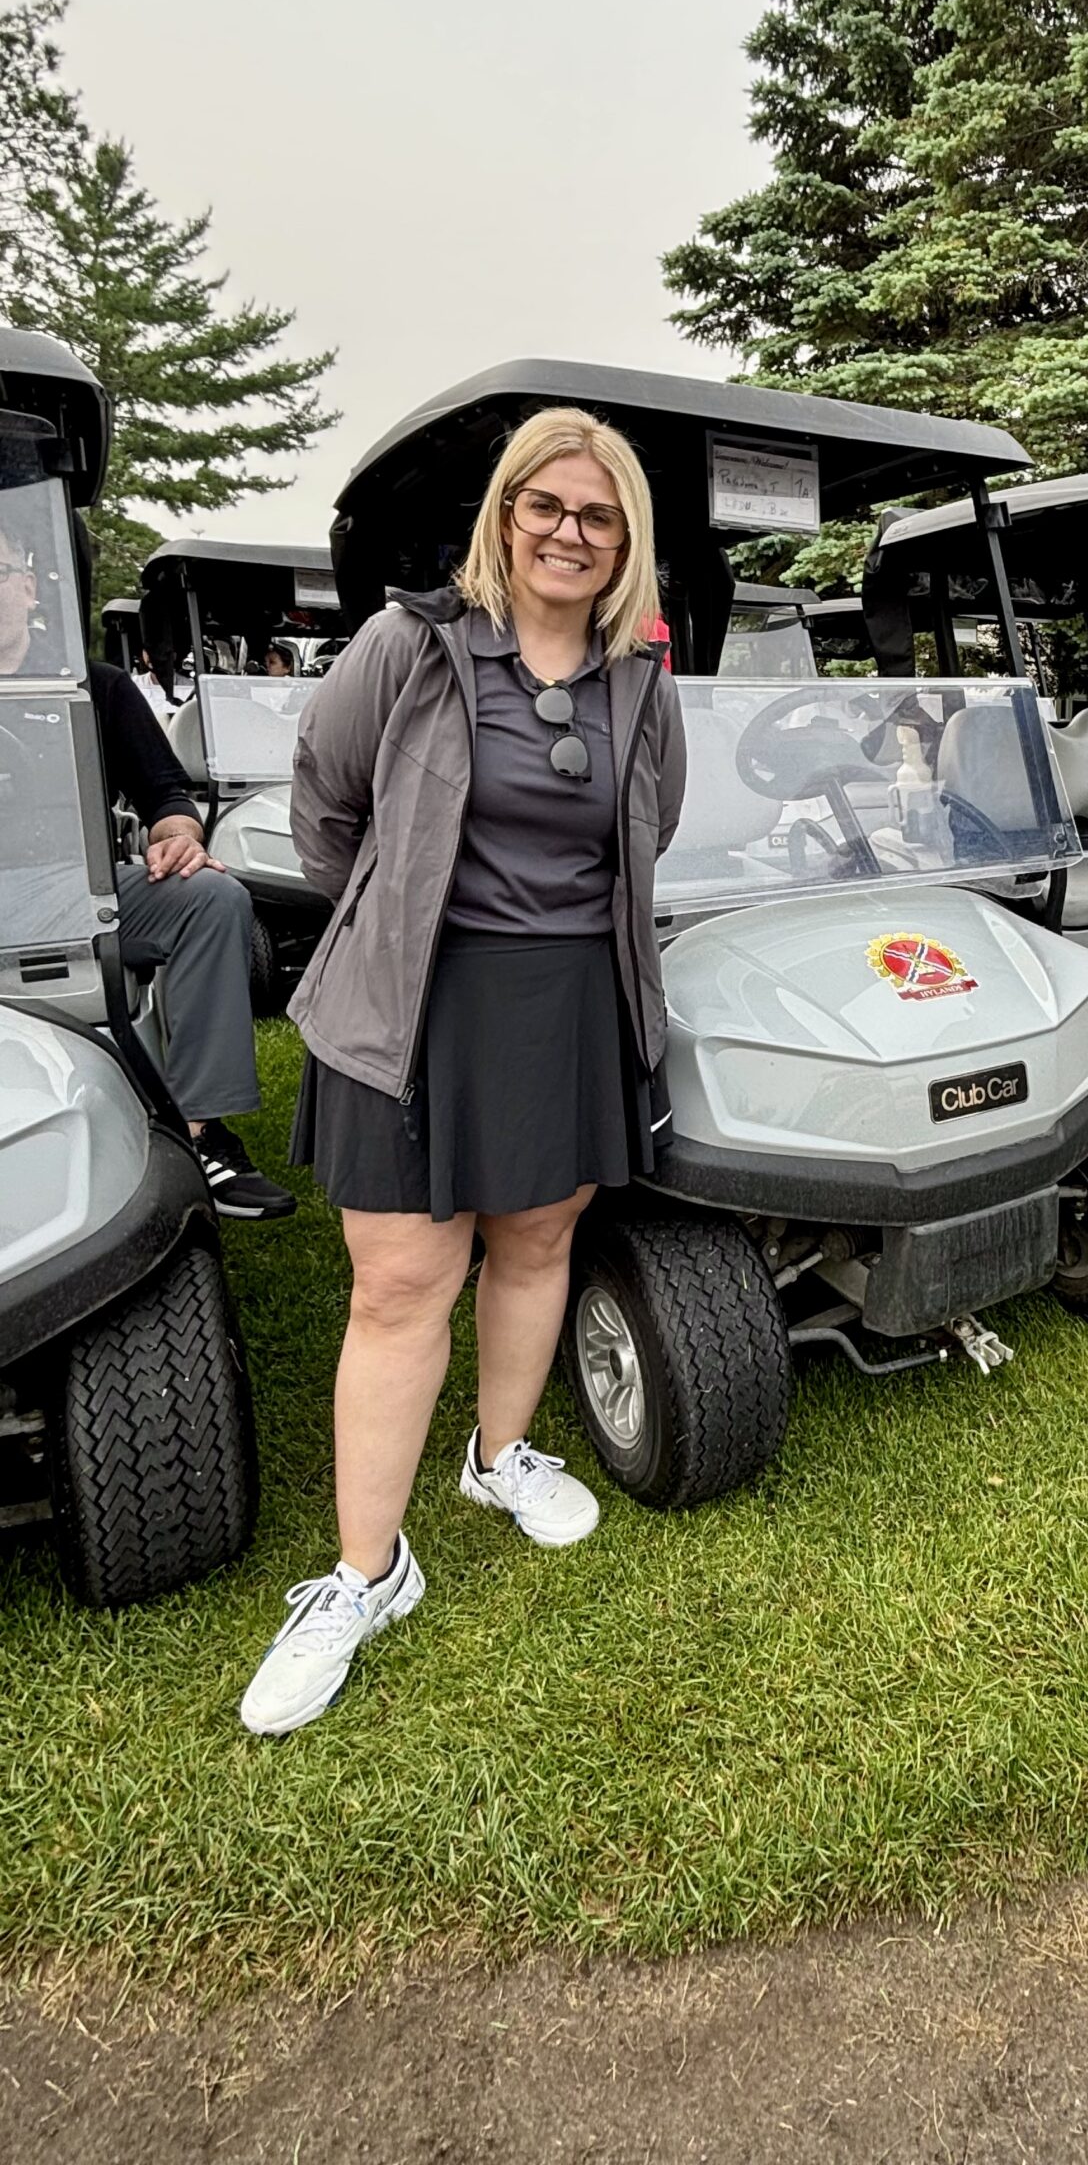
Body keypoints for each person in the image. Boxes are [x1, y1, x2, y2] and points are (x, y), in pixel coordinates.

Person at [240, 407, 685, 1736]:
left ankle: (499, 1457)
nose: (569, 532)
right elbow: (325, 799)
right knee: (399, 1283)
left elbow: (652, 822)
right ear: (505, 514)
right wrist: (399, 917)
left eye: (597, 515)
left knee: (537, 1242)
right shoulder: (411, 643)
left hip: (569, 1002)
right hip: (415, 1002)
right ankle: (366, 1573)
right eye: (546, 505)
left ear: (626, 541)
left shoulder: (641, 678)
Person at [0, 501, 294, 1216]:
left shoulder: (96, 686)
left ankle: (200, 1133)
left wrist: (180, 834)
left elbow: (165, 793)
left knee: (211, 896)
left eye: (0, 572)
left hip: (73, 888)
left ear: (30, 587)